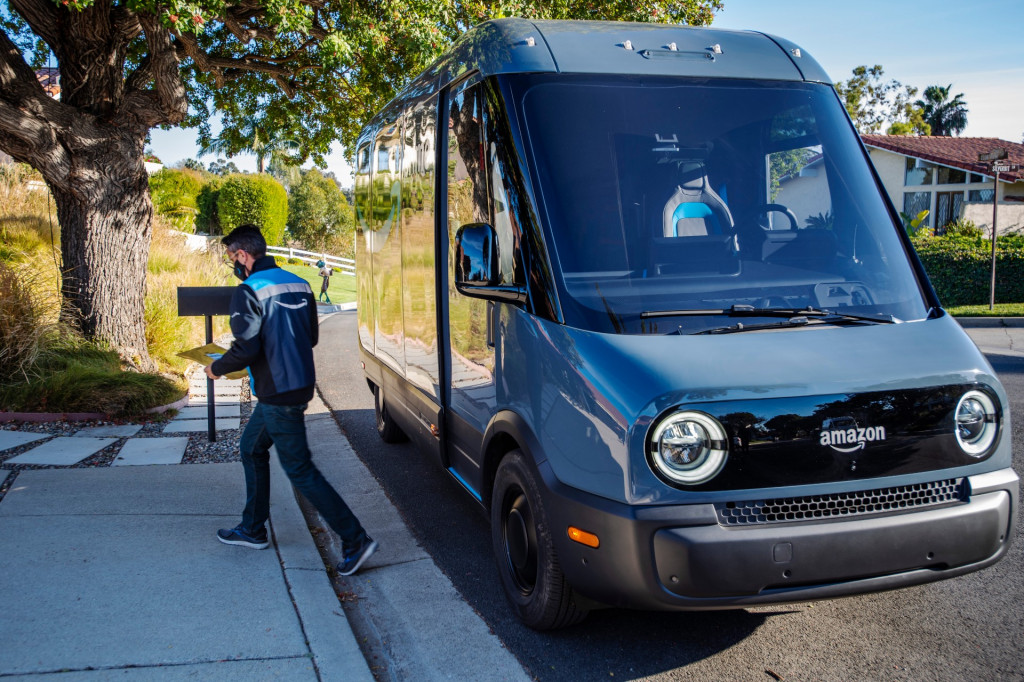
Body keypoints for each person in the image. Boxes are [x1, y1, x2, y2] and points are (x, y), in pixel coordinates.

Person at [207, 224, 377, 576]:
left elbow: (247, 347)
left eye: (231, 258)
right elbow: (311, 336)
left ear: (243, 255)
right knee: (251, 448)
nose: (232, 265)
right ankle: (252, 528)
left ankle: (355, 539)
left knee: (299, 469)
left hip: (277, 394)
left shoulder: (248, 290)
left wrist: (217, 368)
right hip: (298, 386)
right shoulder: (298, 283)